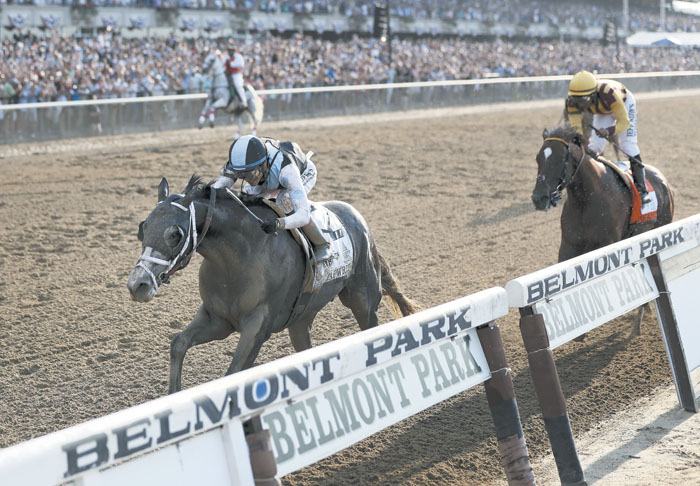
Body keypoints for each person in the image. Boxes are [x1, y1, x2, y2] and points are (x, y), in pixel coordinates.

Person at [212, 135, 332, 263]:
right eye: (242, 175)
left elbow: (303, 215)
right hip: (270, 177)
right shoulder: (240, 164)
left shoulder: (288, 171)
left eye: (251, 174)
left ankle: (322, 244)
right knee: (248, 199)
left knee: (284, 200)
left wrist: (278, 223)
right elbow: (217, 188)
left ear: (263, 164)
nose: (248, 180)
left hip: (303, 173)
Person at [566, 70, 651, 204]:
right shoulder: (572, 101)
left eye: (583, 100)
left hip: (623, 104)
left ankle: (642, 190)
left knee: (627, 145)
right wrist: (579, 140)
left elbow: (624, 123)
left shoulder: (610, 94)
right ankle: (591, 184)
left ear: (593, 94)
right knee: (594, 147)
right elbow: (576, 127)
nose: (580, 105)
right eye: (577, 100)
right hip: (602, 110)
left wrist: (608, 131)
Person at [224, 41, 248, 111]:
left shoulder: (238, 57)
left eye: (231, 50)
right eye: (229, 50)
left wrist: (230, 64)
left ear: (234, 51)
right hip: (228, 74)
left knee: (238, 85)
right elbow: (223, 64)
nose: (230, 52)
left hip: (236, 75)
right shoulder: (227, 57)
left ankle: (244, 101)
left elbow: (240, 64)